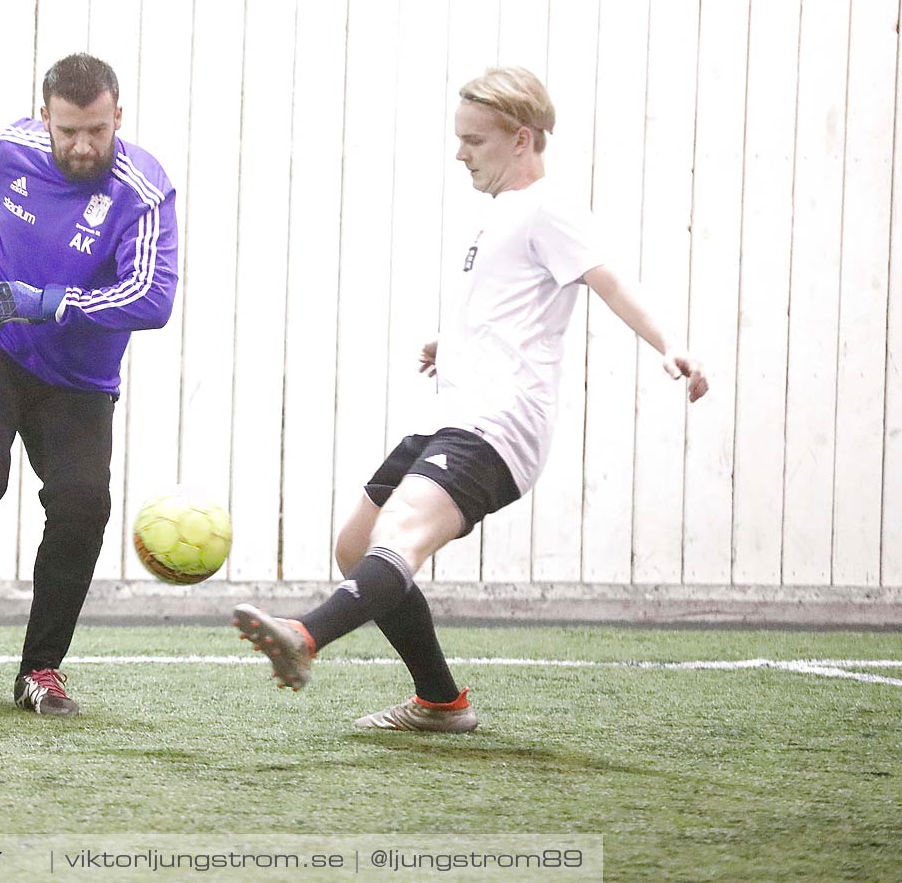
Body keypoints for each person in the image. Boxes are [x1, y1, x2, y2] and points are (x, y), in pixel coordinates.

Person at [233, 67, 707, 732]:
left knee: (399, 537)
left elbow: (611, 281)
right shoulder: (501, 216)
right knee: (357, 545)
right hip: (453, 410)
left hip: (499, 424)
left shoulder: (550, 206)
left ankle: (304, 636)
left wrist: (669, 344)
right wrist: (448, 348)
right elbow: (511, 308)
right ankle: (440, 703)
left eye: (473, 140)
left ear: (522, 138)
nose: (461, 154)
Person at [0, 53, 178, 717]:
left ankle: (40, 672)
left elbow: (152, 297)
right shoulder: (14, 149)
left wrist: (55, 301)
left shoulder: (143, 188)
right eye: (69, 130)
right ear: (45, 117)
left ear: (117, 118)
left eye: (97, 130)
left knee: (82, 506)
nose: (82, 146)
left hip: (77, 380)